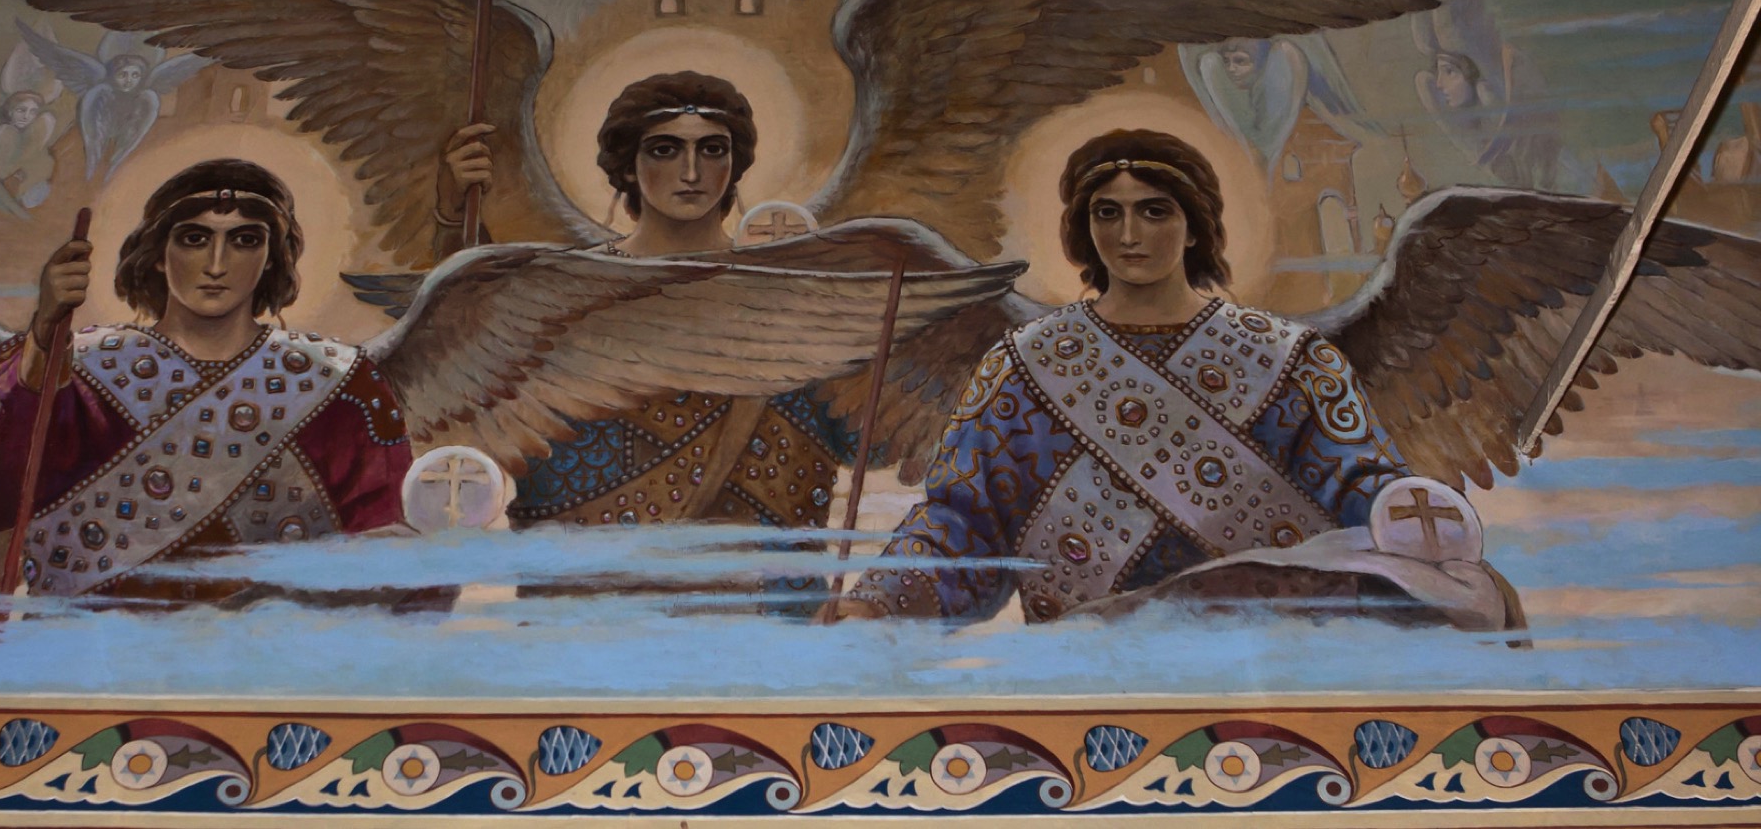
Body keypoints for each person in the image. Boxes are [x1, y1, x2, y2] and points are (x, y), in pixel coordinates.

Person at [835, 129, 1413, 622]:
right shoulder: (1023, 365)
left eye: (1154, 211)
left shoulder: (1292, 360)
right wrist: (877, 604)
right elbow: (964, 524)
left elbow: (1363, 491)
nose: (1128, 234)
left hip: (1278, 657)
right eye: (1107, 213)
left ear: (1194, 227)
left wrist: (1413, 517)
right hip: (1088, 668)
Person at [439, 72, 856, 609]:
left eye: (712, 150)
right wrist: (454, 216)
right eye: (664, 150)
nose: (691, 172)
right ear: (627, 165)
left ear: (735, 163)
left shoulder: (791, 297)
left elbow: (851, 435)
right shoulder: (561, 296)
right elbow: (468, 375)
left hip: (768, 616)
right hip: (586, 615)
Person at [0, 158, 419, 606]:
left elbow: (381, 547)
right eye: (193, 238)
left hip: (272, 653)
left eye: (245, 240)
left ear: (272, 257)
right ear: (157, 254)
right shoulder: (78, 370)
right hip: (89, 649)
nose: (217, 264)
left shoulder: (337, 383)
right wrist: (44, 335)